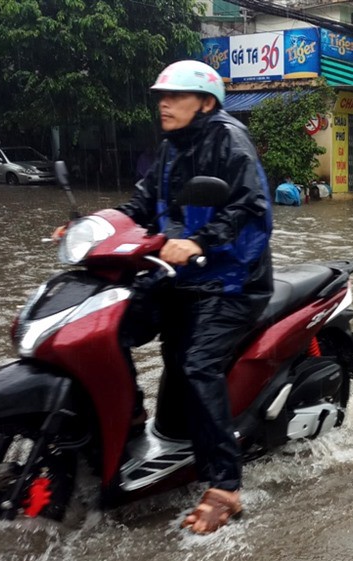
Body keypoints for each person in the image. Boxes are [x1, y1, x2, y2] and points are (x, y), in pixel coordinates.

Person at [117, 60, 273, 533]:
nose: (164, 104)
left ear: (205, 103)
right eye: (161, 97)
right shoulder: (171, 147)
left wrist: (200, 241)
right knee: (117, 324)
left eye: (176, 96)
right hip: (182, 274)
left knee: (198, 363)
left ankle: (225, 485)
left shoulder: (230, 140)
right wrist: (101, 225)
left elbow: (251, 209)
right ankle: (129, 420)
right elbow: (142, 203)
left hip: (233, 280)